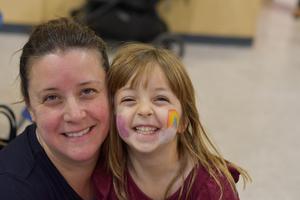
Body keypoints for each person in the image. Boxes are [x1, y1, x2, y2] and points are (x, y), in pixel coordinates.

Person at [93, 43, 251, 200]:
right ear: (113, 116)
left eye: (160, 99)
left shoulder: (214, 189)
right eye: (128, 99)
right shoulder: (104, 179)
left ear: (183, 120)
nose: (144, 110)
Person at [0, 17, 110, 200]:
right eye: (52, 97)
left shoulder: (129, 148)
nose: (75, 115)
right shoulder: (13, 190)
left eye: (87, 91)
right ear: (30, 106)